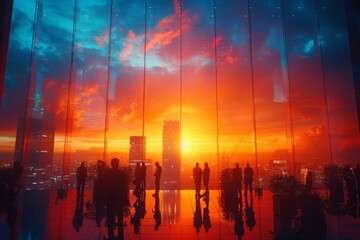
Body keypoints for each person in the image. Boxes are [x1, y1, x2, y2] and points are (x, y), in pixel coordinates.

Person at [105, 158, 129, 240]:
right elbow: (125, 187)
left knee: (111, 218)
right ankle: (120, 235)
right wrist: (125, 199)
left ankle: (111, 235)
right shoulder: (122, 174)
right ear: (118, 164)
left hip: (110, 198)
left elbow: (105, 187)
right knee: (119, 217)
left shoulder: (107, 174)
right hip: (119, 198)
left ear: (111, 164)